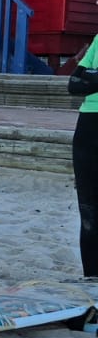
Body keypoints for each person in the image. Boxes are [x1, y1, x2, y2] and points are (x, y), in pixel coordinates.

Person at [71, 29, 98, 277]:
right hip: (88, 128)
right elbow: (74, 83)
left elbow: (86, 80)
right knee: (88, 212)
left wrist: (93, 78)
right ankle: (91, 281)